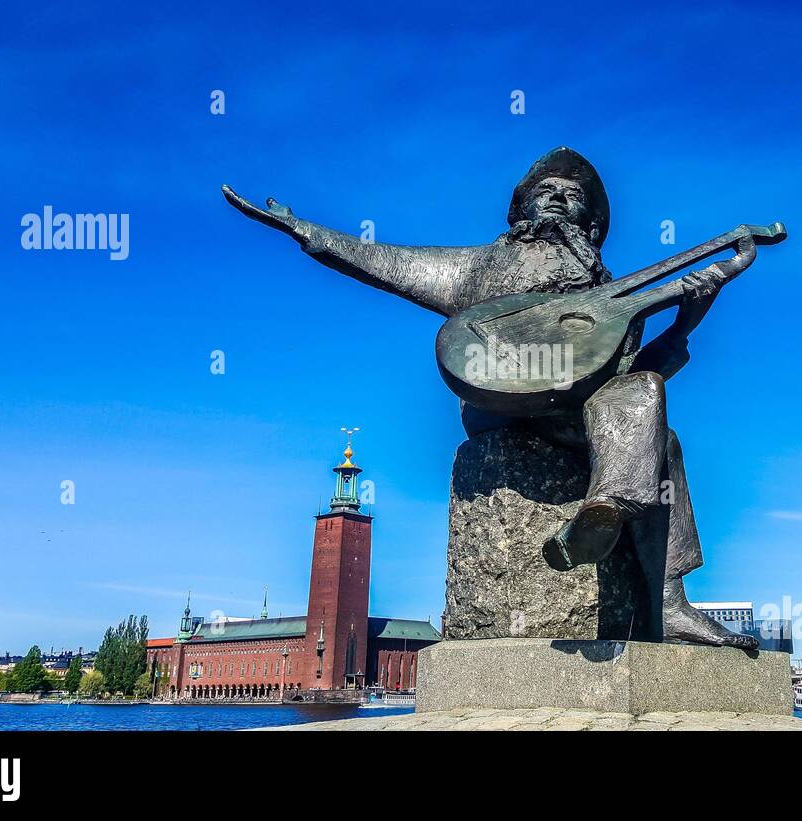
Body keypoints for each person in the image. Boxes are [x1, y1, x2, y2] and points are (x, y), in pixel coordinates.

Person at [224, 147, 766, 647]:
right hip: (498, 401)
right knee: (645, 421)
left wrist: (686, 322)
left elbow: (633, 384)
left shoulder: (614, 296)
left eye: (573, 194)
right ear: (521, 206)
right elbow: (382, 261)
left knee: (660, 436)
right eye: (545, 189)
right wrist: (305, 230)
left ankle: (655, 584)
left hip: (573, 410)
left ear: (593, 224)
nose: (558, 196)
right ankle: (611, 516)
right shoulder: (480, 265)